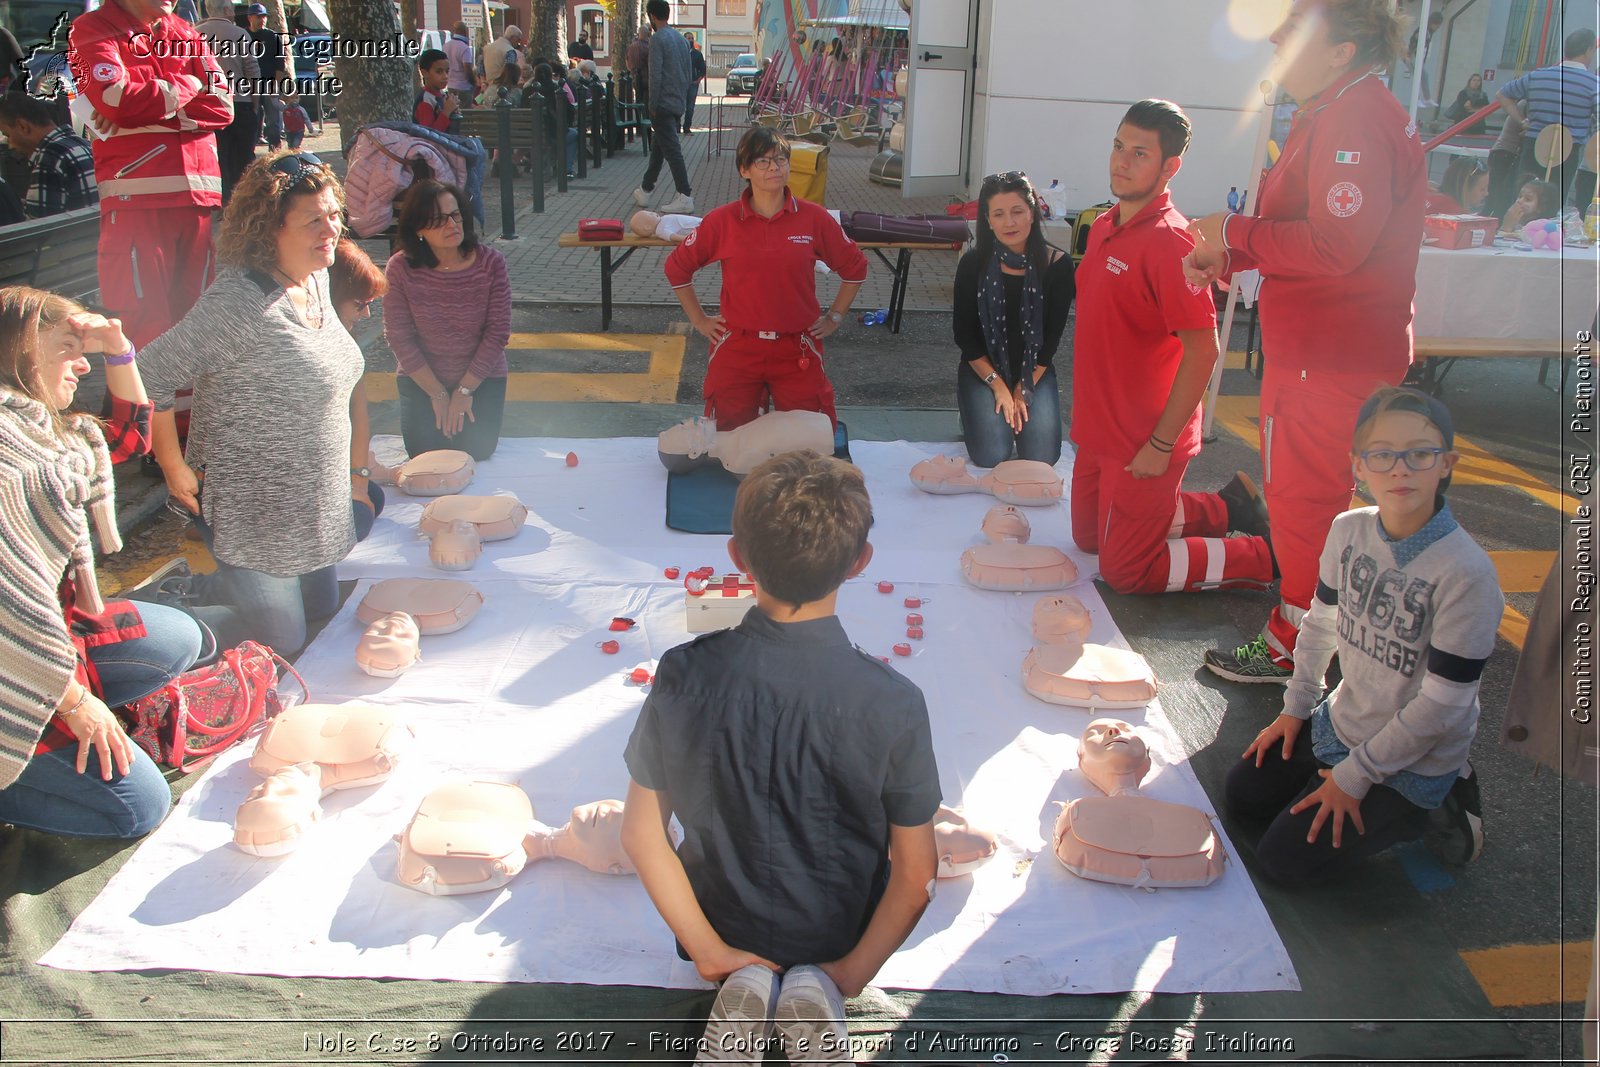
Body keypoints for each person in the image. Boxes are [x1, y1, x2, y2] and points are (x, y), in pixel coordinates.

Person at [622, 450, 941, 1062]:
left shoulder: (683, 672)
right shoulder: (893, 703)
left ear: (738, 557)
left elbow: (641, 835)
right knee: (823, 971)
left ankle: (738, 982)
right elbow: (916, 875)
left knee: (729, 953)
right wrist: (848, 973)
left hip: (718, 923)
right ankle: (815, 991)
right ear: (860, 563)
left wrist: (710, 950)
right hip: (836, 935)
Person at [1185, 0, 1426, 683]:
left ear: (1342, 50)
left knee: (1302, 500)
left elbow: (1335, 244)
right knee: (1325, 502)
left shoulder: (1352, 116)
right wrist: (1233, 256)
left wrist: (1232, 234)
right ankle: (1321, 632)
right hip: (1334, 347)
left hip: (1326, 355)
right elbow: (1314, 231)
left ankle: (1295, 641)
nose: (1277, 47)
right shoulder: (1342, 108)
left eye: (1294, 37)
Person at [1224, 387, 1501, 886]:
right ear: (1358, 466)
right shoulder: (1348, 529)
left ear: (1447, 463)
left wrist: (1353, 778)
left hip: (1416, 754)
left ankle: (1438, 796)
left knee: (1281, 862)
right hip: (1345, 721)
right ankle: (1336, 779)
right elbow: (1321, 621)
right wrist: (1295, 708)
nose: (1400, 468)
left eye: (1420, 453)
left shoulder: (1467, 574)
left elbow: (1444, 705)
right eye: (1382, 454)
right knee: (1243, 794)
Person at [138, 151, 362, 655]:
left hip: (310, 500)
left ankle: (225, 589)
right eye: (313, 220)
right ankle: (163, 608)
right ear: (269, 230)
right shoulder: (238, 303)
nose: (331, 229)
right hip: (251, 507)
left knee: (324, 610)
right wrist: (174, 469)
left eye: (334, 214)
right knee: (281, 638)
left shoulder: (317, 279)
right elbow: (148, 375)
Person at [0, 286, 203, 838]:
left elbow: (129, 437)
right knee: (140, 808)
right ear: (19, 350)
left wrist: (119, 347)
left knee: (177, 637)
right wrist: (74, 703)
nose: (83, 362)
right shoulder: (10, 463)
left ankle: (69, 712)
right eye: (67, 347)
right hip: (13, 660)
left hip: (48, 638)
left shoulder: (41, 432)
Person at [1072, 101, 1276, 597]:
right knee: (1087, 541)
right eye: (1119, 146)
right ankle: (1228, 507)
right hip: (1100, 432)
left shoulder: (1171, 243)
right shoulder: (1103, 225)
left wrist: (1161, 445)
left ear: (1170, 167)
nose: (1121, 161)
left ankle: (1269, 554)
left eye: (1139, 153)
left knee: (1125, 570)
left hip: (1145, 439)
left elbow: (1204, 351)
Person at [665, 125, 867, 432]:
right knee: (731, 438)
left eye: (781, 159)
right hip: (738, 347)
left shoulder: (814, 218)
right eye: (763, 161)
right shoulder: (722, 221)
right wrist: (700, 320)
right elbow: (677, 269)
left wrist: (835, 316)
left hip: (796, 347)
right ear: (744, 170)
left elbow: (855, 268)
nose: (774, 167)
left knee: (808, 440)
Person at [67, 0, 233, 351]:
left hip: (197, 202)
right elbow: (118, 101)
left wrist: (149, 107)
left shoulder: (186, 32)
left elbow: (223, 105)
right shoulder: (91, 29)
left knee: (196, 322)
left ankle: (187, 409)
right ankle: (145, 409)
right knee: (145, 325)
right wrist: (189, 84)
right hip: (135, 203)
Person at [951, 170, 1074, 468]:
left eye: (1018, 211)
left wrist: (1022, 388)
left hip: (1033, 369)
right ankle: (972, 410)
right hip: (984, 369)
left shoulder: (1058, 266)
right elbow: (965, 337)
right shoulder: (972, 263)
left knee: (1042, 457)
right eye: (999, 214)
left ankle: (1001, 414)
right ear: (989, 221)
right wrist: (999, 387)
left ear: (1032, 214)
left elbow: (1051, 341)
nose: (1010, 222)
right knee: (991, 455)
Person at [383, 179, 510, 462]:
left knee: (477, 451)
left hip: (482, 377)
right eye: (438, 220)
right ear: (418, 229)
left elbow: (497, 333)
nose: (452, 225)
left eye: (455, 215)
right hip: (423, 378)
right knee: (425, 454)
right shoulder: (400, 268)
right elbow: (399, 336)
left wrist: (464, 390)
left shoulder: (491, 263)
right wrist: (438, 394)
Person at [1497, 29, 1600, 206]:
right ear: (1589, 50)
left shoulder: (1537, 76)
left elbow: (1503, 95)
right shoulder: (1593, 83)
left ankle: (1519, 229)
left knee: (1525, 197)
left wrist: (1522, 121)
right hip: (1569, 149)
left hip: (1533, 144)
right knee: (1554, 201)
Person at [328, 238, 386, 542]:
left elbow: (358, 412)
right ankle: (202, 589)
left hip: (321, 470)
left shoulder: (343, 341)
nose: (366, 315)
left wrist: (359, 482)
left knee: (372, 498)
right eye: (360, 304)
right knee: (358, 518)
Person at [631, 0, 694, 214]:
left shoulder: (657, 39)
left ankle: (684, 194)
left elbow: (655, 74)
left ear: (651, 15)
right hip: (676, 101)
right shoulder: (681, 39)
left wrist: (652, 104)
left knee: (671, 150)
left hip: (662, 102)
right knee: (659, 146)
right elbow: (688, 74)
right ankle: (645, 189)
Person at [196, 0, 260, 202]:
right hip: (239, 102)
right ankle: (245, 201)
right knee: (243, 157)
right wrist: (255, 101)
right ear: (225, 10)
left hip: (208, 105)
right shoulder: (240, 34)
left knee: (219, 157)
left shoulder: (195, 34)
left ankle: (223, 201)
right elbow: (252, 70)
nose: (233, 14)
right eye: (232, 10)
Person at [0, 93, 97, 217]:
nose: (10, 145)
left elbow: (38, 230)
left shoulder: (49, 159)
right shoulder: (83, 144)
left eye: (8, 135)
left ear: (22, 126)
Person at [244, 3, 285, 150]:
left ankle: (275, 152)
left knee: (274, 122)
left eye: (264, 17)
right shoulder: (243, 36)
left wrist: (276, 85)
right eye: (258, 16)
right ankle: (249, 153)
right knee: (252, 120)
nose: (262, 20)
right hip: (249, 85)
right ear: (250, 17)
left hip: (269, 84)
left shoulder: (272, 37)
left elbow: (280, 64)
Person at [530, 62, 578, 179]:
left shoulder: (527, 90)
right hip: (552, 134)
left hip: (528, 135)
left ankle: (549, 164)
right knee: (573, 134)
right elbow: (569, 110)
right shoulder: (556, 90)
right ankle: (566, 170)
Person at [1485, 108, 1528, 218]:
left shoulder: (1519, 107)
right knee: (1500, 192)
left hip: (1500, 152)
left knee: (1495, 193)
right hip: (1506, 153)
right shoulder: (1525, 107)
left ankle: (1490, 218)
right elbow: (1525, 132)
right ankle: (1495, 220)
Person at [414, 48, 460, 133]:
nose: (445, 76)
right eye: (439, 72)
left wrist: (453, 112)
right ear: (425, 73)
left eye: (447, 71)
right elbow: (429, 135)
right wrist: (446, 112)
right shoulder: (426, 101)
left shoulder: (442, 95)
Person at [1424, 155, 1489, 215]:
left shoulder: (1427, 193)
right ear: (1465, 188)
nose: (1486, 193)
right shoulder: (1455, 214)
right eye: (1482, 189)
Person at [444, 21, 477, 110]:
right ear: (464, 31)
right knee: (465, 114)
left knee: (453, 112)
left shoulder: (446, 46)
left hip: (451, 85)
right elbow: (467, 69)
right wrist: (473, 82)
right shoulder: (464, 48)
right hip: (463, 86)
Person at [483, 23, 522, 87]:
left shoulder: (487, 48)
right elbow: (510, 73)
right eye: (518, 39)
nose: (519, 42)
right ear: (512, 37)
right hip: (502, 87)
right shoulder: (509, 51)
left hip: (488, 86)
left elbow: (481, 69)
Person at [683, 32, 705, 134]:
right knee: (679, 106)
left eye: (692, 38)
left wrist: (698, 80)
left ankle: (687, 127)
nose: (690, 40)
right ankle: (676, 127)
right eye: (688, 38)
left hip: (693, 84)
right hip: (681, 84)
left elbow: (703, 69)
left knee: (690, 107)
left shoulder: (697, 54)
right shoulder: (680, 53)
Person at [626, 23, 651, 110]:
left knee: (638, 100)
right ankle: (645, 120)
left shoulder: (631, 46)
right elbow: (650, 63)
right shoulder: (648, 47)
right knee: (646, 103)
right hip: (646, 78)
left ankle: (638, 118)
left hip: (634, 77)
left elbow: (627, 60)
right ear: (648, 34)